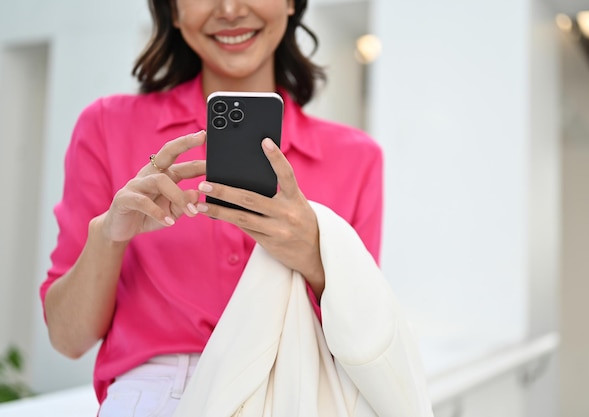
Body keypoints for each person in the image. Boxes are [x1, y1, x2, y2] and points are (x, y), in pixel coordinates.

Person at [40, 0, 383, 415]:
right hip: (158, 395)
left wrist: (315, 257)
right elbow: (67, 337)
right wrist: (108, 236)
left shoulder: (356, 158)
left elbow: (366, 339)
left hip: (297, 390)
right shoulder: (106, 126)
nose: (231, 9)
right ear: (173, 10)